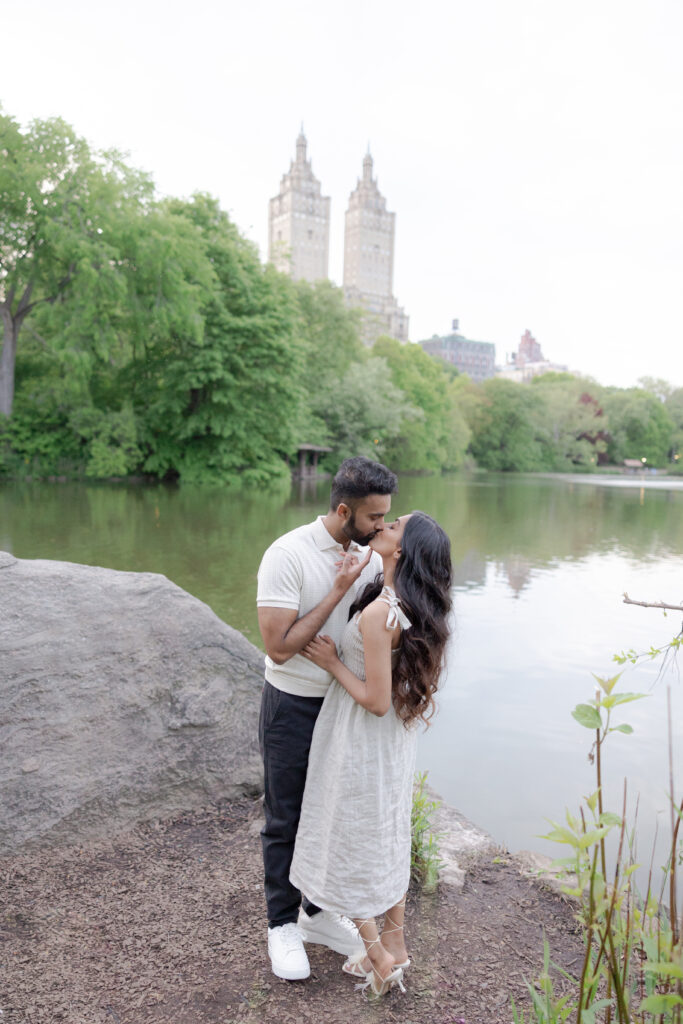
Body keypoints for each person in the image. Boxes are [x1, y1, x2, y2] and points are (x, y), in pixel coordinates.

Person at [290, 511, 452, 997]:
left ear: (401, 551)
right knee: (385, 831)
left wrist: (333, 661)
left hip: (361, 735)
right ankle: (396, 944)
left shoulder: (384, 611)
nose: (384, 524)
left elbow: (377, 701)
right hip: (392, 745)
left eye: (395, 525)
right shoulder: (402, 603)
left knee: (349, 834)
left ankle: (380, 955)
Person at [256, 456, 399, 981]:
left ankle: (314, 913)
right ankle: (281, 924)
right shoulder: (287, 555)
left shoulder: (369, 551)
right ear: (344, 510)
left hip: (343, 709)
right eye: (374, 517)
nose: (382, 525)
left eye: (387, 516)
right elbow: (278, 648)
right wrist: (338, 589)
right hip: (294, 703)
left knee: (331, 813)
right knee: (286, 816)